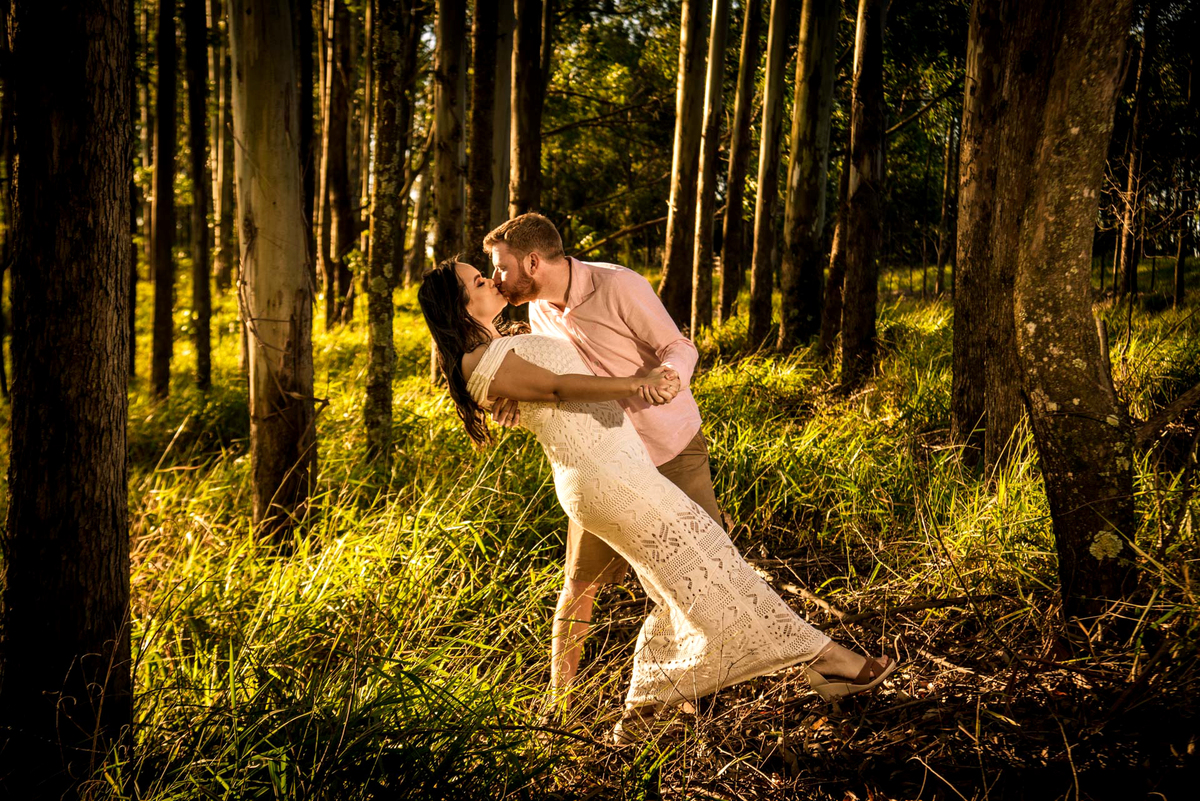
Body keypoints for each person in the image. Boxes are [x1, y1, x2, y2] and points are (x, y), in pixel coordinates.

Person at [417, 257, 897, 743]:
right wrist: (634, 383)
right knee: (712, 565)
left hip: (619, 469)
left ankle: (645, 713)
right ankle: (828, 659)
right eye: (479, 281)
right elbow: (560, 386)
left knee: (682, 580)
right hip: (606, 478)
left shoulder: (501, 343)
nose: (491, 281)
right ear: (458, 307)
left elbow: (549, 400)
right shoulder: (481, 360)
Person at [482, 213, 720, 698]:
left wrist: (669, 377)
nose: (498, 280)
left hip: (669, 446)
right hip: (605, 463)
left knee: (710, 568)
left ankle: (705, 686)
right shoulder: (539, 312)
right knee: (579, 584)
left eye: (502, 267)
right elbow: (560, 384)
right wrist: (517, 403)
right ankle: (559, 702)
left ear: (532, 260)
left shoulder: (619, 285)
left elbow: (677, 345)